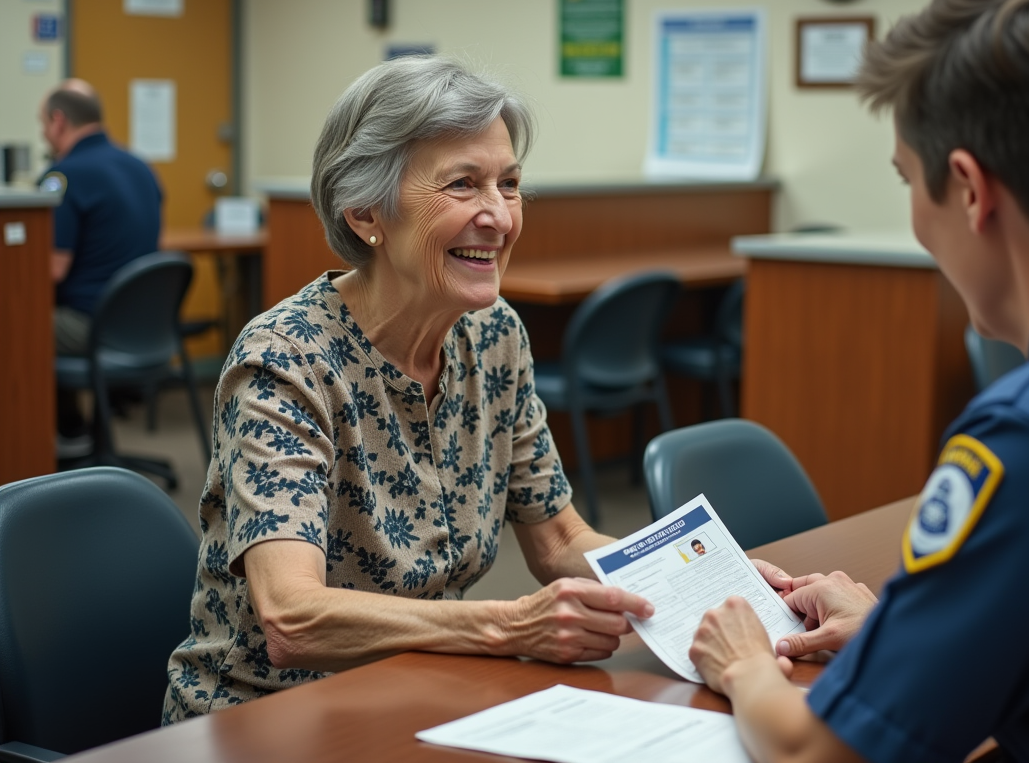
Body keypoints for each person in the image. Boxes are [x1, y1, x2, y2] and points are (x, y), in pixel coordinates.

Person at [162, 55, 791, 721]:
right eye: (463, 185)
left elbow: (556, 542)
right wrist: (512, 626)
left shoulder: (494, 336)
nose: (499, 216)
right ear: (366, 211)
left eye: (510, 184)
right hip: (267, 719)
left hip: (425, 691)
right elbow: (293, 617)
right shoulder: (284, 362)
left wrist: (710, 585)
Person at [689, 0, 1029, 761]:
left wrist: (747, 664)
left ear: (969, 190)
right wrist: (908, 634)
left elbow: (815, 752)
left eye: (906, 179)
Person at [39, 80, 162, 450]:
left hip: (93, 324)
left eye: (43, 125)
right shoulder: (141, 167)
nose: (44, 134)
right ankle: (74, 429)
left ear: (59, 121)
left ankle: (62, 434)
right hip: (146, 324)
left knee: (18, 325)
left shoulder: (63, 176)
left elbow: (52, 270)